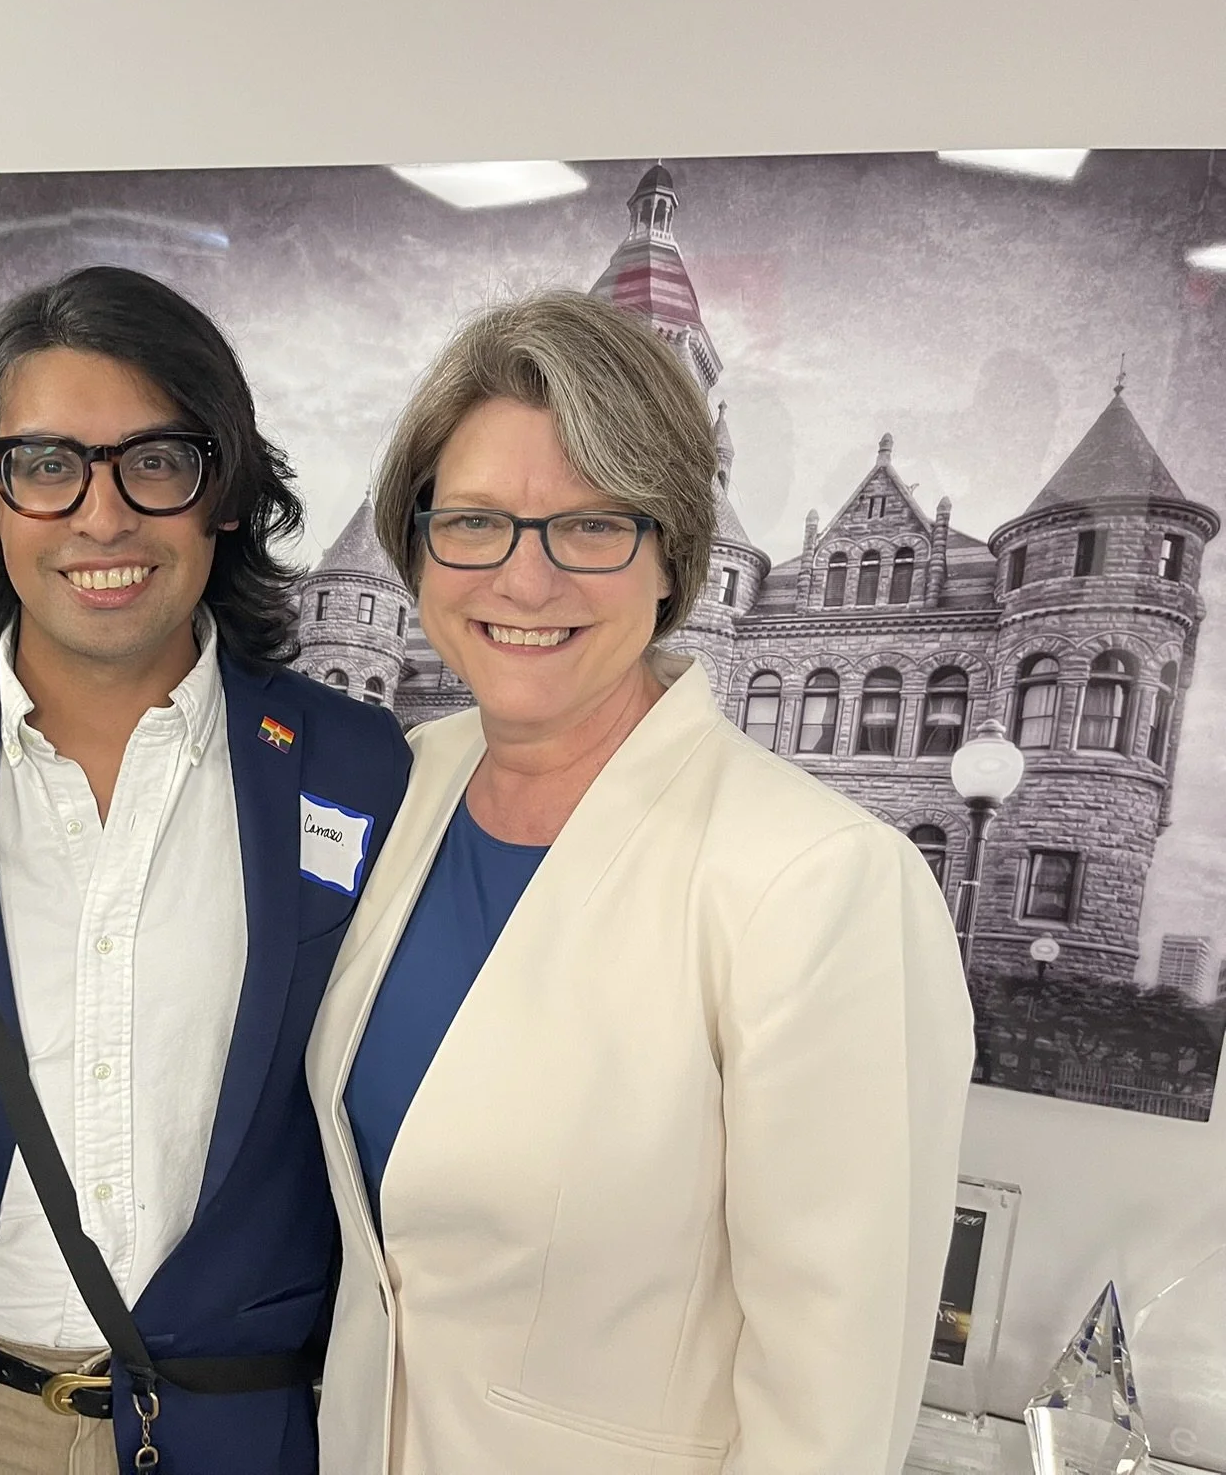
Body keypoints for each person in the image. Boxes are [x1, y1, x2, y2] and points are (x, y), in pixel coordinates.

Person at [305, 292, 975, 1474]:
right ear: (417, 548)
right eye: (472, 523)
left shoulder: (818, 885)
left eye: (590, 526)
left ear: (671, 555)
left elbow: (829, 1402)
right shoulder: (399, 788)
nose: (523, 580)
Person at [0, 265, 411, 1475]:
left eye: (155, 462)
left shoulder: (353, 765)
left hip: (234, 1435)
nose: (102, 515)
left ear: (220, 493)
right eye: (45, 464)